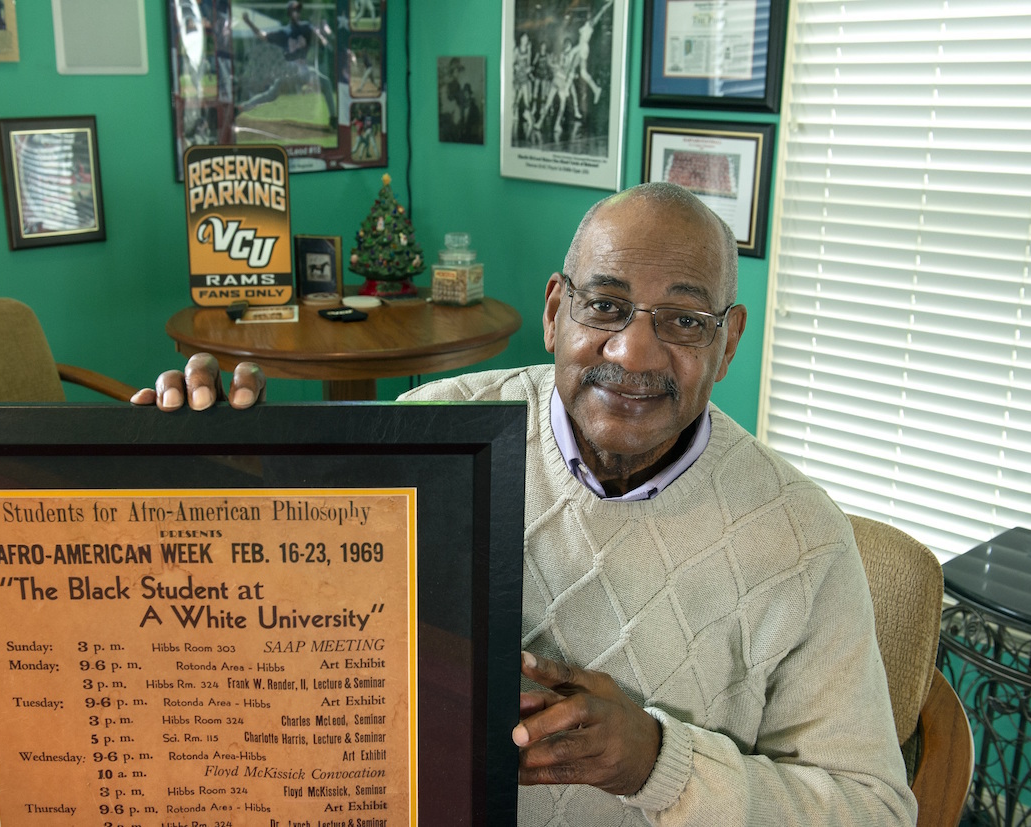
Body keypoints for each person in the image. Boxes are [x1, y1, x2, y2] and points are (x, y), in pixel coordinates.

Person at [132, 182, 916, 826]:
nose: (633, 353)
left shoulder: (802, 538)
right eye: (604, 305)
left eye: (683, 320)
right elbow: (254, 626)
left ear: (730, 340)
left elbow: (874, 808)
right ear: (554, 310)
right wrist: (201, 474)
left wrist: (657, 761)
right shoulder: (425, 438)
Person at [238, 0, 338, 130]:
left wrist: (324, 37)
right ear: (289, 13)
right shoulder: (284, 32)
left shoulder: (306, 27)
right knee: (271, 94)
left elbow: (319, 37)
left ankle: (333, 118)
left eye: (298, 10)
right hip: (290, 70)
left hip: (304, 70)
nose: (297, 13)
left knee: (326, 82)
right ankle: (242, 108)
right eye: (294, 10)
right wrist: (249, 23)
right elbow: (262, 36)